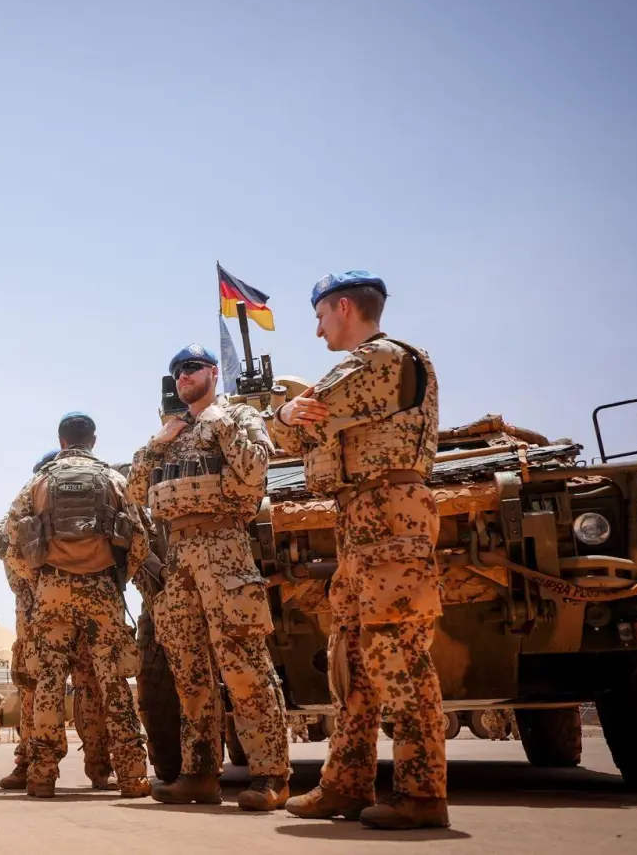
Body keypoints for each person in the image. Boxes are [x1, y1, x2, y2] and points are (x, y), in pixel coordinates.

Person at [268, 271, 448, 831]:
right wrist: (290, 418)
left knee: (396, 650)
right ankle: (346, 783)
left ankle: (422, 792)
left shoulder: (380, 360)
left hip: (389, 516)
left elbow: (298, 429)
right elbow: (301, 430)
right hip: (360, 519)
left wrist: (280, 414)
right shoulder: (369, 364)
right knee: (352, 656)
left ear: (344, 307)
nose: (317, 329)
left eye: (320, 315)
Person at [127, 346, 293, 811]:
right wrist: (161, 439)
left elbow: (252, 473)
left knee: (243, 665)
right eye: (178, 371)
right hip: (177, 557)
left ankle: (271, 775)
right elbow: (137, 489)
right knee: (188, 673)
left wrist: (216, 419)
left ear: (213, 374)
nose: (183, 375)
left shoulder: (238, 417)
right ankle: (199, 773)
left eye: (192, 368)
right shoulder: (171, 435)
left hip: (224, 549)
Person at [5, 412, 151, 799]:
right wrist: (119, 575)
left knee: (49, 683)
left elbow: (10, 534)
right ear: (94, 441)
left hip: (52, 589)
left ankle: (41, 776)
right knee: (114, 682)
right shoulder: (114, 480)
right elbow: (141, 536)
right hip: (101, 589)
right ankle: (133, 776)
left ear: (62, 440)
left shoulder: (39, 482)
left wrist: (38, 578)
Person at [0, 465, 118, 792]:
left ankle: (98, 765)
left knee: (84, 687)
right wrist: (35, 577)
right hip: (41, 612)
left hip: (65, 604)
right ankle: (30, 761)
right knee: (39, 688)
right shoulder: (30, 506)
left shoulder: (75, 505)